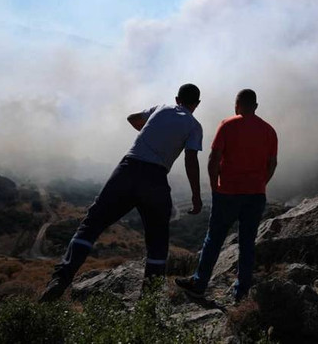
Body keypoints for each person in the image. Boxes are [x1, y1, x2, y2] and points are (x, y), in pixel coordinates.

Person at [40, 83, 204, 302]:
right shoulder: (194, 125)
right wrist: (196, 195)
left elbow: (132, 118)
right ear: (197, 104)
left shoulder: (161, 108)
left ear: (177, 99)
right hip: (155, 178)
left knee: (92, 224)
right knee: (158, 240)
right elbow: (190, 159)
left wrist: (151, 132)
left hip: (127, 169)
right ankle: (148, 303)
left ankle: (60, 279)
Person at [176, 89, 277, 302]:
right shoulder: (269, 130)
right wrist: (261, 184)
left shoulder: (228, 125)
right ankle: (241, 293)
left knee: (214, 239)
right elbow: (272, 164)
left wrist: (215, 187)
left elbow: (214, 159)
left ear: (236, 104)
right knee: (248, 243)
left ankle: (199, 283)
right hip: (256, 195)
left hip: (228, 193)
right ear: (256, 106)